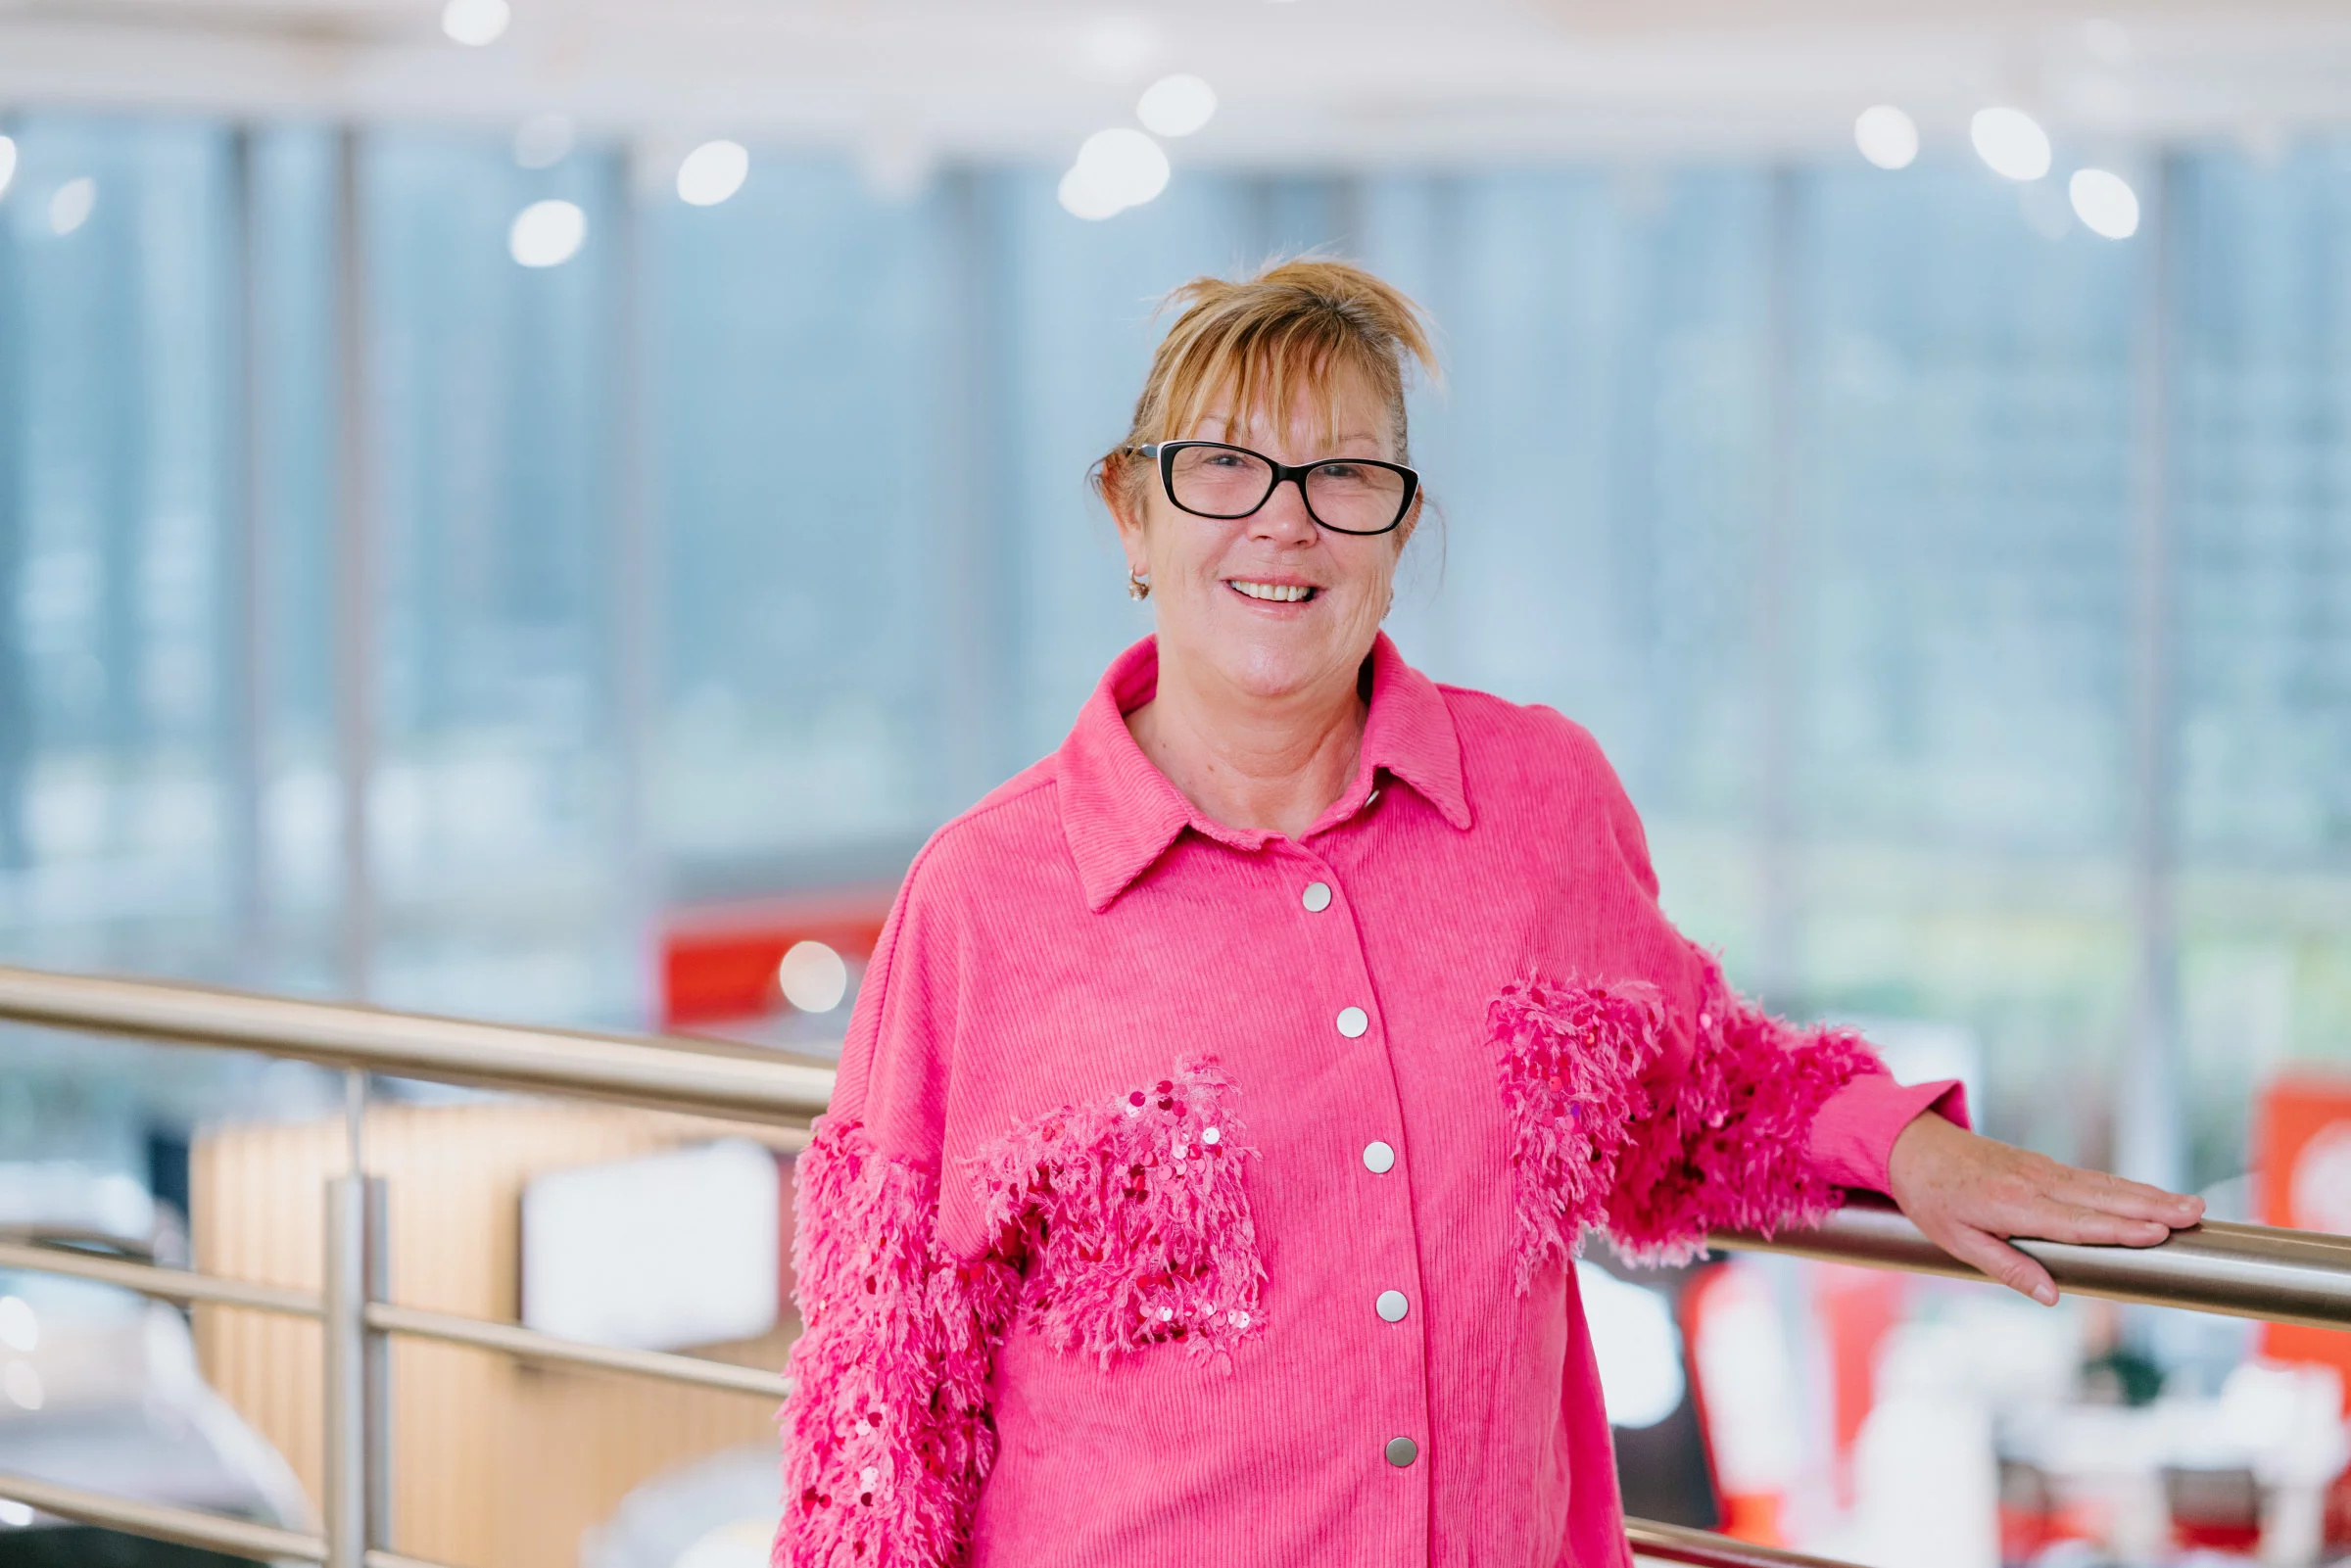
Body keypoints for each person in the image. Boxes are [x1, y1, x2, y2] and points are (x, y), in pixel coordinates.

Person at [772, 258, 2203, 1568]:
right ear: (1130, 515)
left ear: (1399, 535)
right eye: (1224, 468)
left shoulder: (1534, 803)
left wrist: (1909, 1147)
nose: (1286, 520)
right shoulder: (982, 901)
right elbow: (880, 1416)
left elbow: (1683, 1090)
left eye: (1345, 475)